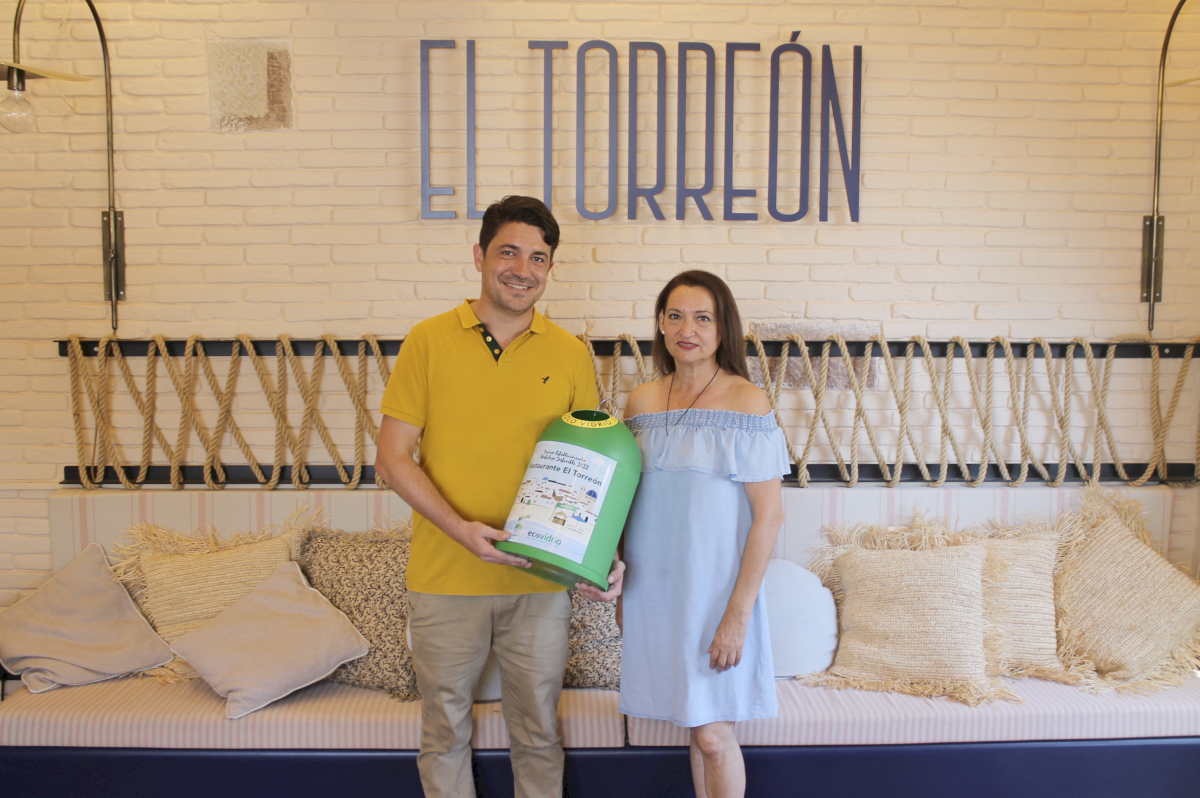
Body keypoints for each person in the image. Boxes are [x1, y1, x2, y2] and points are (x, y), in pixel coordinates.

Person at [375, 195, 622, 798]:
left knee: (538, 733)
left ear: (550, 268)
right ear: (480, 255)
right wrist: (459, 529)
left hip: (541, 580)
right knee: (443, 732)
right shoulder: (427, 341)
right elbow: (391, 459)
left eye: (538, 257)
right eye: (508, 252)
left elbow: (587, 469)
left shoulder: (570, 353)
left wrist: (603, 553)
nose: (522, 269)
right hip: (444, 576)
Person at [617, 270, 788, 798]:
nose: (686, 329)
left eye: (702, 318)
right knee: (697, 728)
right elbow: (624, 501)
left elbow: (769, 517)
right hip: (653, 592)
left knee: (713, 736)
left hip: (718, 596)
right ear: (660, 324)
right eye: (675, 316)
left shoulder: (748, 402)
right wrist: (619, 582)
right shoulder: (640, 402)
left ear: (722, 328)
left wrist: (738, 615)